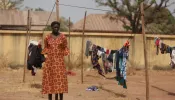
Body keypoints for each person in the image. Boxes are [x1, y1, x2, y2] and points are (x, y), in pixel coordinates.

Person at [41, 21, 69, 100]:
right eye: (54, 27)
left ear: (59, 28)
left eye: (57, 27)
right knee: (50, 80)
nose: (56, 28)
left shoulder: (63, 37)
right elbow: (46, 48)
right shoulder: (47, 37)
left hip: (60, 63)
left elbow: (65, 48)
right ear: (52, 28)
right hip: (50, 63)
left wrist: (60, 55)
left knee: (60, 81)